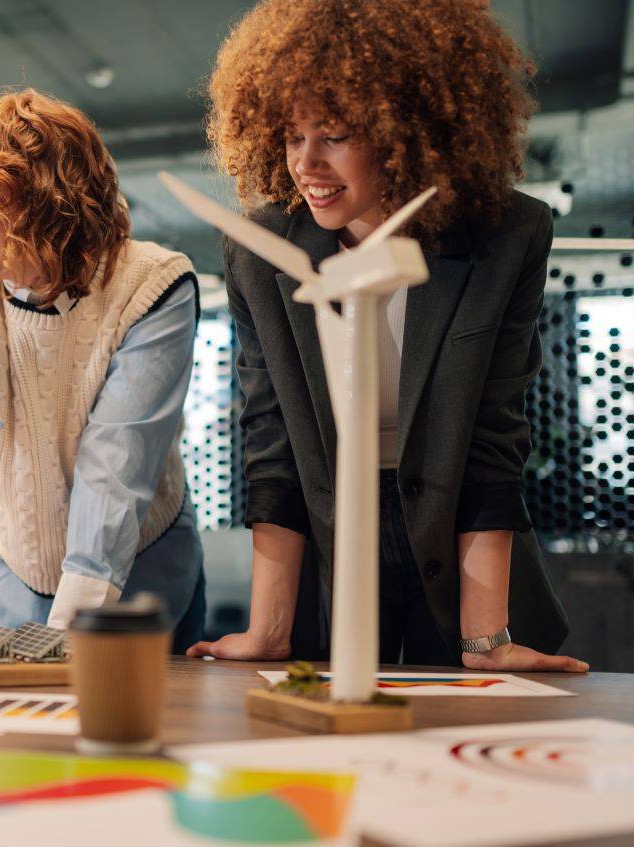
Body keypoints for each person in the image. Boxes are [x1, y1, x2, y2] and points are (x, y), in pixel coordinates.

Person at [188, 0, 587, 672]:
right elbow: (272, 443)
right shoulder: (261, 253)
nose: (306, 165)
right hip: (331, 543)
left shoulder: (506, 237)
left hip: (462, 540)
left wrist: (484, 640)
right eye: (290, 137)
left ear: (408, 128)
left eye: (335, 134)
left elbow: (494, 436)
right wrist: (270, 627)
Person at [0, 89, 206, 651]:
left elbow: (118, 461)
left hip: (141, 569)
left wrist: (74, 624)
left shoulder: (152, 283)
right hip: (17, 572)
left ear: (37, 191)